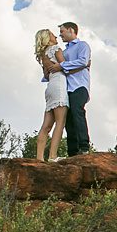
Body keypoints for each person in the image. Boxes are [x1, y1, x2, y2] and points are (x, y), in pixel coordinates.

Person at [47, 21, 92, 154]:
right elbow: (60, 67)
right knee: (68, 119)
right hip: (66, 88)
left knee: (78, 110)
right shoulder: (64, 52)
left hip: (80, 85)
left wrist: (63, 66)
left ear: (71, 30)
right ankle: (72, 151)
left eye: (62, 31)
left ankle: (84, 146)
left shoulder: (82, 45)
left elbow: (83, 61)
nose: (60, 35)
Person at [33, 29, 68, 161]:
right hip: (59, 84)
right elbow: (66, 65)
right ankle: (53, 156)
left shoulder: (43, 55)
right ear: (48, 38)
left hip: (50, 87)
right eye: (53, 35)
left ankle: (39, 158)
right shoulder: (55, 48)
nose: (56, 36)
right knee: (60, 122)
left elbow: (46, 75)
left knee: (46, 125)